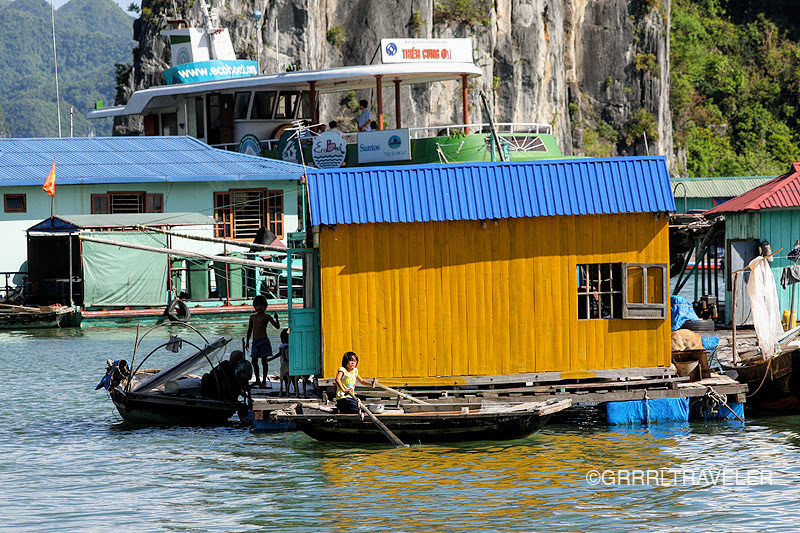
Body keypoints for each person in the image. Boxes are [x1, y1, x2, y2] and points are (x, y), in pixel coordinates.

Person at [245, 295, 280, 388]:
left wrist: (276, 318)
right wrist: (247, 341)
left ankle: (264, 381)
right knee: (254, 361)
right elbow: (250, 330)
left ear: (265, 306)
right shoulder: (252, 317)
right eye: (257, 305)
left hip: (264, 341)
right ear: (254, 306)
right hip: (255, 341)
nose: (259, 307)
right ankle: (257, 380)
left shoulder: (267, 317)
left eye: (261, 305)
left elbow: (277, 326)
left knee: (264, 361)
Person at [276, 328, 295, 396]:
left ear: (282, 339)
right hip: (291, 364)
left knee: (284, 378)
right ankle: (295, 389)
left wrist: (271, 358)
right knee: (292, 378)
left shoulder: (282, 346)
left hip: (284, 364)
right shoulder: (292, 346)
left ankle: (283, 391)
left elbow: (279, 354)